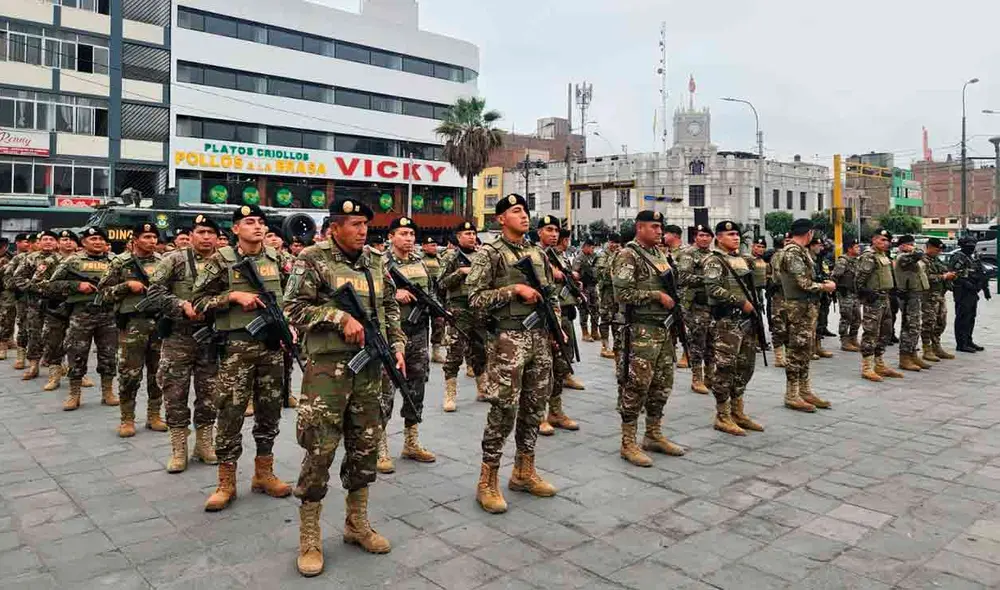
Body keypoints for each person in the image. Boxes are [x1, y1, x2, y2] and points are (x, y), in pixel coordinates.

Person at [284, 198, 404, 576]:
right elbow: (292, 308)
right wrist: (337, 316)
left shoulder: (375, 261)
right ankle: (309, 535)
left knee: (365, 445)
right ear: (334, 227)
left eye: (365, 224)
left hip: (369, 368)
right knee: (320, 449)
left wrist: (397, 345)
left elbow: (388, 307)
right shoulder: (312, 259)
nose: (362, 230)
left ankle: (356, 523)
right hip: (327, 371)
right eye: (353, 223)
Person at [193, 204, 292, 512]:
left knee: (269, 410)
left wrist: (288, 324)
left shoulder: (279, 259)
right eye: (250, 222)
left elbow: (294, 298)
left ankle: (264, 472)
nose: (258, 227)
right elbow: (197, 302)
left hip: (271, 348)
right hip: (236, 347)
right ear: (236, 229)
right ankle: (226, 481)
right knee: (231, 411)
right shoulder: (222, 260)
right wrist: (233, 297)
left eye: (261, 222)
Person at [467, 193, 558, 514]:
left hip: (539, 338)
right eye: (516, 211)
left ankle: (523, 470)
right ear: (501, 219)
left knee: (535, 407)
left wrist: (555, 330)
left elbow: (550, 294)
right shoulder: (489, 253)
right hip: (507, 341)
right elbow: (474, 299)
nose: (523, 216)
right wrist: (513, 290)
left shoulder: (536, 252)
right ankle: (487, 480)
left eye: (525, 211)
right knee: (503, 409)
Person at [147, 215, 220, 473]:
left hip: (211, 337)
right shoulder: (174, 260)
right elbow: (154, 291)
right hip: (178, 336)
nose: (206, 237)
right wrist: (180, 305)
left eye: (211, 232)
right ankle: (179, 447)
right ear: (191, 235)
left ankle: (204, 443)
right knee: (175, 392)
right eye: (201, 231)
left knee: (209, 393)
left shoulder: (226, 262)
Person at [612, 210, 685, 467]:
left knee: (662, 384)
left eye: (660, 227)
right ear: (639, 227)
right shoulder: (628, 255)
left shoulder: (659, 254)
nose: (658, 231)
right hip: (640, 331)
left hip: (663, 331)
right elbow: (623, 294)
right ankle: (627, 442)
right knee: (636, 386)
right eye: (653, 226)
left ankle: (653, 434)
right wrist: (655, 296)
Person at [377, 216, 436, 474]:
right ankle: (380, 446)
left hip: (418, 334)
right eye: (403, 233)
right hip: (392, 335)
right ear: (391, 237)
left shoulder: (420, 263)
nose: (409, 239)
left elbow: (431, 292)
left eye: (411, 234)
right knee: (385, 391)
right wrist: (394, 294)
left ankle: (411, 441)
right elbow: (369, 297)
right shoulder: (380, 264)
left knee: (416, 387)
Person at [98, 223, 165, 437]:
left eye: (154, 237)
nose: (152, 241)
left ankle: (154, 415)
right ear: (135, 239)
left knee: (158, 373)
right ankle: (127, 419)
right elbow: (103, 294)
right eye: (146, 237)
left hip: (159, 324)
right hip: (132, 325)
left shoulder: (163, 262)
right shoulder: (120, 262)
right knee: (129, 374)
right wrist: (126, 287)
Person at [44, 227, 119, 410]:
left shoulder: (115, 261)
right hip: (81, 315)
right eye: (93, 238)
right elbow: (50, 285)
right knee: (76, 354)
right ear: (84, 242)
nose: (98, 242)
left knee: (109, 354)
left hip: (108, 315)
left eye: (101, 239)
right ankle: (74, 394)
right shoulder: (73, 261)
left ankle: (107, 391)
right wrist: (77, 285)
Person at [703, 221, 763, 435]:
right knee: (725, 368)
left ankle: (738, 411)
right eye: (730, 234)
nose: (736, 237)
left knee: (745, 366)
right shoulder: (714, 260)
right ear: (719, 238)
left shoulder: (741, 259)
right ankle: (722, 415)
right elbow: (712, 289)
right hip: (727, 322)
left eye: (737, 234)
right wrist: (739, 301)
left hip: (746, 321)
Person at [778, 219, 836, 411]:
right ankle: (792, 394)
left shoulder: (801, 251)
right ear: (809, 233)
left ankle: (804, 390)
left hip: (806, 307)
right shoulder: (793, 252)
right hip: (798, 308)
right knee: (796, 352)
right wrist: (824, 287)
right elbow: (802, 282)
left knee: (804, 350)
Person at [537, 218, 580, 436]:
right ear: (539, 232)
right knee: (542, 369)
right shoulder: (533, 253)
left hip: (560, 313)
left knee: (560, 364)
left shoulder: (556, 255)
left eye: (556, 230)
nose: (554, 234)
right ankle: (540, 415)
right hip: (540, 318)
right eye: (548, 230)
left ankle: (556, 410)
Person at [439, 221, 487, 411]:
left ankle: (482, 387)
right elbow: (441, 284)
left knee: (480, 350)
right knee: (455, 353)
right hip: (458, 310)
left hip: (479, 309)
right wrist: (460, 272)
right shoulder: (451, 257)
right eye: (467, 233)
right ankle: (450, 394)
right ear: (458, 237)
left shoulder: (481, 256)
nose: (471, 236)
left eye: (473, 233)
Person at [855, 229, 904, 381]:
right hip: (874, 300)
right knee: (871, 333)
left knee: (886, 332)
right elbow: (859, 280)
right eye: (882, 240)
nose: (886, 243)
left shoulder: (883, 256)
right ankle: (867, 367)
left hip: (885, 298)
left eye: (887, 240)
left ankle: (879, 363)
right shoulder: (868, 257)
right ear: (874, 240)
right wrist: (867, 294)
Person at [13, 231, 60, 381]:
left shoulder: (63, 259)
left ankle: (57, 366)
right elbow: (18, 278)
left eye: (51, 239)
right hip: (34, 303)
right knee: (34, 333)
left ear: (56, 242)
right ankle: (34, 365)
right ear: (39, 242)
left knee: (56, 335)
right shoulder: (30, 258)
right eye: (44, 239)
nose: (48, 242)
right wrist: (34, 287)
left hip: (57, 303)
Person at [38, 230, 80, 391]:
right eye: (64, 239)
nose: (68, 242)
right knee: (53, 341)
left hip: (78, 307)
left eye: (71, 240)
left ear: (77, 244)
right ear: (58, 243)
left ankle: (77, 373)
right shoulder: (49, 261)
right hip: (56, 307)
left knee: (77, 343)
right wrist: (64, 288)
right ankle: (54, 375)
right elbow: (39, 282)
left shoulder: (83, 261)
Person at [676, 225, 715, 394]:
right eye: (701, 235)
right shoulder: (689, 254)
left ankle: (710, 376)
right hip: (695, 305)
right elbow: (683, 277)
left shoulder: (714, 256)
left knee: (712, 341)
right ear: (695, 237)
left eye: (707, 235)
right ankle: (696, 378)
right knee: (697, 341)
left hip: (712, 304)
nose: (705, 238)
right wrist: (707, 280)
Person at [892, 235, 933, 372]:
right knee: (909, 327)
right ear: (902, 245)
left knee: (915, 326)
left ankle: (913, 354)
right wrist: (913, 249)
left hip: (916, 295)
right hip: (908, 297)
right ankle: (904, 358)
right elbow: (920, 254)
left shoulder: (910, 256)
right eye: (909, 244)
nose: (912, 246)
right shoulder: (902, 257)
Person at [950, 236, 991, 352]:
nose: (972, 248)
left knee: (971, 317)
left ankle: (968, 340)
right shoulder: (958, 257)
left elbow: (980, 274)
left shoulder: (972, 258)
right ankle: (961, 344)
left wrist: (984, 288)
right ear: (963, 246)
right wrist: (967, 284)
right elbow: (954, 274)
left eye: (973, 245)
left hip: (972, 292)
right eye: (969, 246)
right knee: (962, 317)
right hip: (962, 292)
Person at [920, 238, 957, 361]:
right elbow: (925, 277)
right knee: (928, 323)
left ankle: (936, 347)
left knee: (941, 322)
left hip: (940, 295)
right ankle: (927, 349)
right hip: (928, 297)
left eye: (940, 250)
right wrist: (944, 276)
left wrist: (951, 275)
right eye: (937, 249)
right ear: (928, 247)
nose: (939, 252)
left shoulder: (936, 260)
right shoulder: (922, 261)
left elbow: (944, 271)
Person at [0, 234, 30, 361]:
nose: (28, 244)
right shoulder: (11, 258)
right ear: (17, 243)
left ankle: (10, 340)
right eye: (25, 241)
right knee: (6, 315)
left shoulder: (13, 257)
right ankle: (3, 345)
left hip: (17, 290)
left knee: (13, 315)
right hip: (6, 289)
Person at [831, 238, 862, 352]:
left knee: (857, 317)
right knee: (846, 317)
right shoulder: (843, 261)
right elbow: (835, 276)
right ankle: (844, 341)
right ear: (849, 249)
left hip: (855, 294)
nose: (859, 249)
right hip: (845, 293)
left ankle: (853, 338)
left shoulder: (857, 261)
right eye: (856, 247)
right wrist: (838, 288)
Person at [594, 233, 622, 359]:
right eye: (613, 242)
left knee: (617, 319)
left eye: (617, 243)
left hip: (618, 293)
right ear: (608, 242)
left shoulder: (621, 254)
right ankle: (605, 346)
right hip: (606, 292)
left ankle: (617, 345)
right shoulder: (602, 256)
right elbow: (601, 274)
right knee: (605, 318)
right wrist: (613, 259)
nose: (615, 245)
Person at [420, 237, 447, 363]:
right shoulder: (418, 259)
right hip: (423, 295)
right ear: (424, 246)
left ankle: (436, 351)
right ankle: (423, 351)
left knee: (439, 323)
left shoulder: (439, 259)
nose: (434, 248)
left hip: (437, 295)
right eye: (431, 245)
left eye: (435, 245)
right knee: (422, 325)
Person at [768, 234, 792, 367]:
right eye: (786, 241)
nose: (789, 243)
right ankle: (778, 357)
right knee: (779, 326)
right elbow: (777, 276)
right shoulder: (778, 255)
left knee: (790, 326)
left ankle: (788, 355)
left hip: (790, 297)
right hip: (780, 295)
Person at [809, 237, 834, 359]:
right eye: (818, 245)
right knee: (811, 323)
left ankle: (818, 346)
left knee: (821, 320)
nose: (821, 248)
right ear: (812, 246)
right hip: (813, 294)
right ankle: (811, 348)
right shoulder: (808, 259)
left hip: (822, 294)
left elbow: (823, 272)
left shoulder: (820, 259)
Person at [573, 239, 600, 342]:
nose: (593, 250)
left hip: (592, 287)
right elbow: (575, 274)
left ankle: (594, 331)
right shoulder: (579, 258)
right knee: (584, 310)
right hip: (584, 288)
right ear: (585, 247)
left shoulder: (592, 257)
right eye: (592, 248)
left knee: (595, 309)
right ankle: (585, 333)